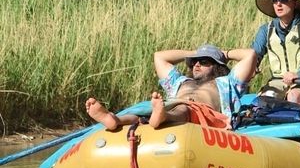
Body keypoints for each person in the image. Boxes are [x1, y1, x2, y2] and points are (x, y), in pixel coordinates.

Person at [85, 44, 257, 131]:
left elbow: (249, 55)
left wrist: (223, 54)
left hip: (200, 112)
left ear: (217, 66)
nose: (197, 65)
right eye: (194, 62)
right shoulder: (179, 82)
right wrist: (193, 53)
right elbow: (159, 57)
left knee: (182, 108)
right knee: (144, 113)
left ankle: (161, 116)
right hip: (172, 105)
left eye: (204, 62)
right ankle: (115, 120)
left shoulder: (228, 83)